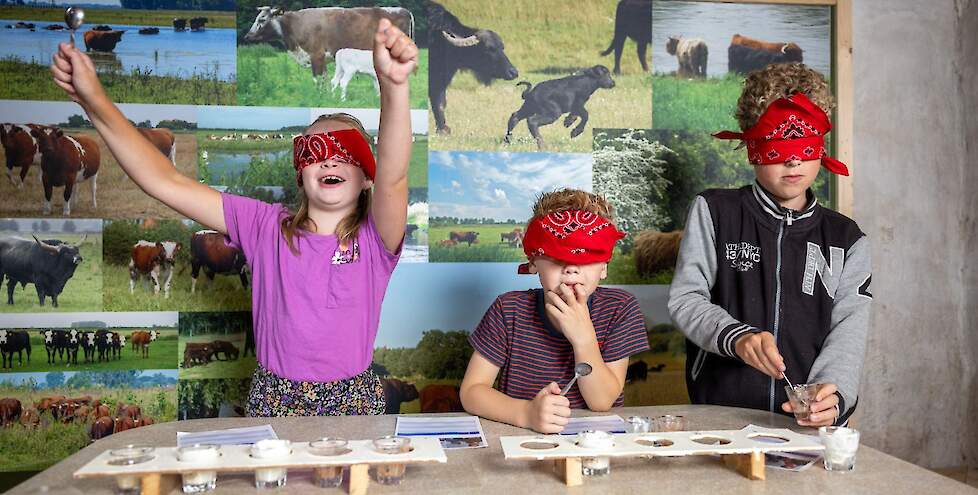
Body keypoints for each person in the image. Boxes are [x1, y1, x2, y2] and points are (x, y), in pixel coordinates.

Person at [50, 19, 419, 416]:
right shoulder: (263, 226)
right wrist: (94, 100)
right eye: (315, 150)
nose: (329, 159)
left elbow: (395, 176)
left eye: (346, 152)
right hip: (274, 400)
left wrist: (393, 85)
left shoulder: (376, 239)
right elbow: (163, 179)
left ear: (367, 177)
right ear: (300, 170)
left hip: (355, 403)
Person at [668, 62, 872, 427]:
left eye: (805, 141)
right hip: (719, 414)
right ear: (751, 145)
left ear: (821, 145)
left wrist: (834, 395)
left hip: (805, 421)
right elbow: (686, 299)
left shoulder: (847, 239)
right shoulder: (715, 211)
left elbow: (849, 330)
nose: (793, 159)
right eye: (778, 144)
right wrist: (737, 337)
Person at [460, 189, 650, 433]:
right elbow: (471, 391)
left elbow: (601, 401)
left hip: (594, 444)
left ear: (604, 267)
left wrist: (584, 339)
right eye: (556, 256)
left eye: (587, 255)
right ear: (533, 263)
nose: (571, 268)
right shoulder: (508, 310)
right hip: (522, 441)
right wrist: (525, 414)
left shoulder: (620, 308)